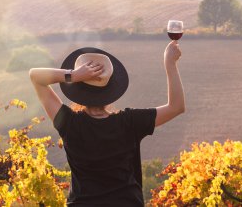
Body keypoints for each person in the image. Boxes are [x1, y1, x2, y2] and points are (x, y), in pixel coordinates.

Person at [29, 41, 185, 206]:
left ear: (78, 89)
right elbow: (176, 107)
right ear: (112, 87)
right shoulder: (129, 122)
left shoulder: (69, 123)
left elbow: (35, 76)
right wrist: (170, 63)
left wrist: (73, 75)